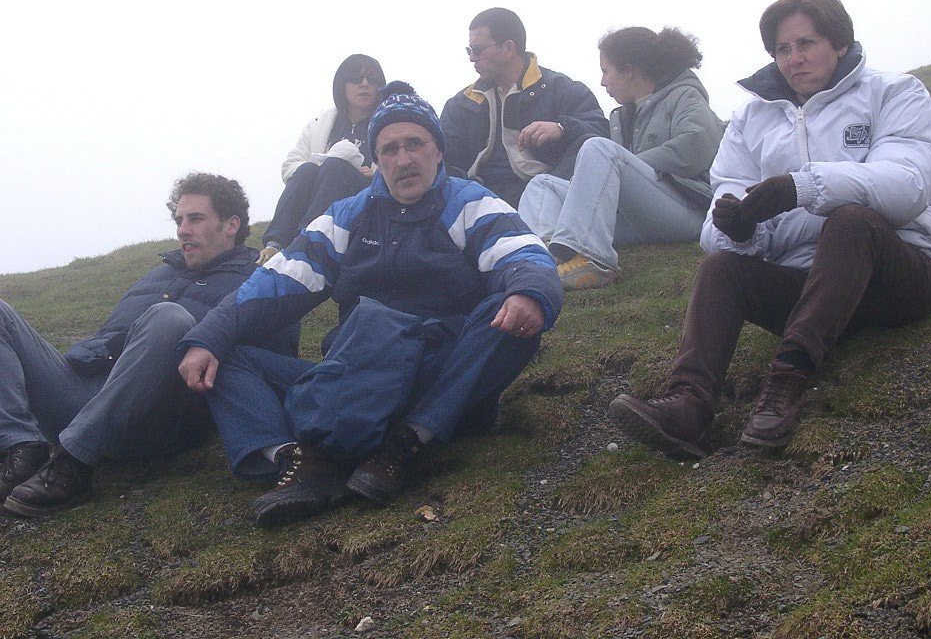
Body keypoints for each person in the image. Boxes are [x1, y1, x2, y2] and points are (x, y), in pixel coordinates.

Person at [178, 82, 562, 528]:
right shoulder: (346, 216)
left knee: (512, 315)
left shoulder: (470, 203)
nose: (403, 159)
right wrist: (209, 336)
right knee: (225, 355)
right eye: (389, 149)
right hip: (356, 372)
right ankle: (297, 459)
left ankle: (407, 441)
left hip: (438, 374)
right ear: (376, 160)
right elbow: (274, 281)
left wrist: (527, 292)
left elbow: (525, 255)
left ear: (438, 150)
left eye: (415, 144)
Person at [609, 0, 931, 456]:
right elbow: (725, 198)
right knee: (720, 267)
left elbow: (908, 184)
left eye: (806, 43)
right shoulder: (751, 119)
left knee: (851, 221)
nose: (794, 59)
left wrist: (802, 188)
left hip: (901, 277)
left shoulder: (895, 93)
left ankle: (788, 381)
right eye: (782, 49)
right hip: (811, 288)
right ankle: (687, 405)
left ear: (839, 42)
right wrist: (739, 229)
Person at [0, 173, 300, 517]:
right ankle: (21, 449)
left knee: (169, 317)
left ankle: (73, 463)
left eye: (196, 219)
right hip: (86, 392)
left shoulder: (259, 281)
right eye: (179, 220)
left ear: (231, 225)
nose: (183, 230)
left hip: (155, 416)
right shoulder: (159, 274)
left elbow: (267, 363)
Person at [519, 26, 725, 290]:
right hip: (640, 218)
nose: (603, 81)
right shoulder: (623, 115)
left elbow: (696, 148)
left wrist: (626, 164)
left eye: (606, 71)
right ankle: (543, 260)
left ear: (628, 70)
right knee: (542, 184)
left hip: (688, 211)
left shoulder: (685, 95)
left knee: (599, 148)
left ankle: (594, 261)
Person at [440, 7, 609, 206]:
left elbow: (602, 138)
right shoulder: (460, 104)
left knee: (590, 144)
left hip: (545, 195)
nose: (472, 58)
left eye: (477, 50)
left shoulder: (561, 89)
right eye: (469, 50)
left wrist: (562, 128)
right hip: (479, 199)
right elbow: (442, 159)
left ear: (508, 48)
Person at [258, 54, 386, 265]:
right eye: (356, 78)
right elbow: (290, 166)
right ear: (342, 85)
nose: (364, 84)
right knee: (308, 169)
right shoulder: (321, 123)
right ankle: (275, 243)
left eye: (371, 80)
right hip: (320, 191)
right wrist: (321, 166)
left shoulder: (388, 123)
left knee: (335, 167)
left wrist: (375, 174)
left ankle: (307, 240)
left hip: (366, 198)